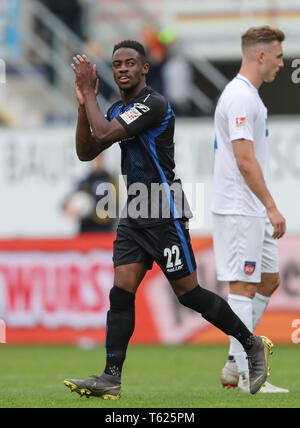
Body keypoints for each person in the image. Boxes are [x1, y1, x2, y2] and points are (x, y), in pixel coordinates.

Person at [63, 40, 273, 399]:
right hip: (134, 210)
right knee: (121, 291)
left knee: (188, 293)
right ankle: (111, 377)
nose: (123, 69)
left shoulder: (153, 104)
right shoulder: (115, 108)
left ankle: (251, 344)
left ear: (146, 69)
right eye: (117, 65)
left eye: (131, 63)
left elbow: (108, 133)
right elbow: (86, 151)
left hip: (164, 207)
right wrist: (84, 104)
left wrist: (88, 94)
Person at [212, 26, 289, 393]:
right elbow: (244, 159)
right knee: (242, 286)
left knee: (269, 280)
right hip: (240, 208)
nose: (281, 62)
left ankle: (232, 363)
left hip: (252, 208)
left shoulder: (251, 97)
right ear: (260, 56)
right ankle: (246, 374)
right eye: (277, 55)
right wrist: (271, 206)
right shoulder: (240, 97)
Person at [62, 154, 118, 234]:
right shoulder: (85, 181)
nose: (97, 162)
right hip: (85, 229)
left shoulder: (111, 180)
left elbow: (113, 207)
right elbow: (68, 202)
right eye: (95, 159)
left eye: (99, 159)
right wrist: (69, 207)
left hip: (104, 229)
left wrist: (91, 213)